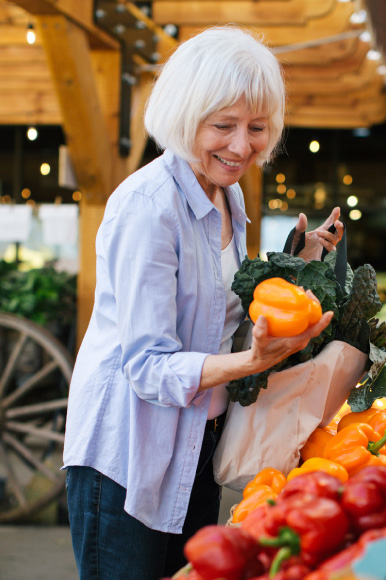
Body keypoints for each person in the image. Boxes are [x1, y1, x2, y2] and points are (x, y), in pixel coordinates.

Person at [63, 25, 344, 580]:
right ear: (184, 116)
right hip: (130, 454)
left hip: (195, 442)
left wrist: (298, 261)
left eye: (257, 128)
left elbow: (225, 306)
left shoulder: (227, 195)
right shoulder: (149, 209)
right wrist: (250, 363)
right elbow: (146, 366)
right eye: (223, 126)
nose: (242, 147)